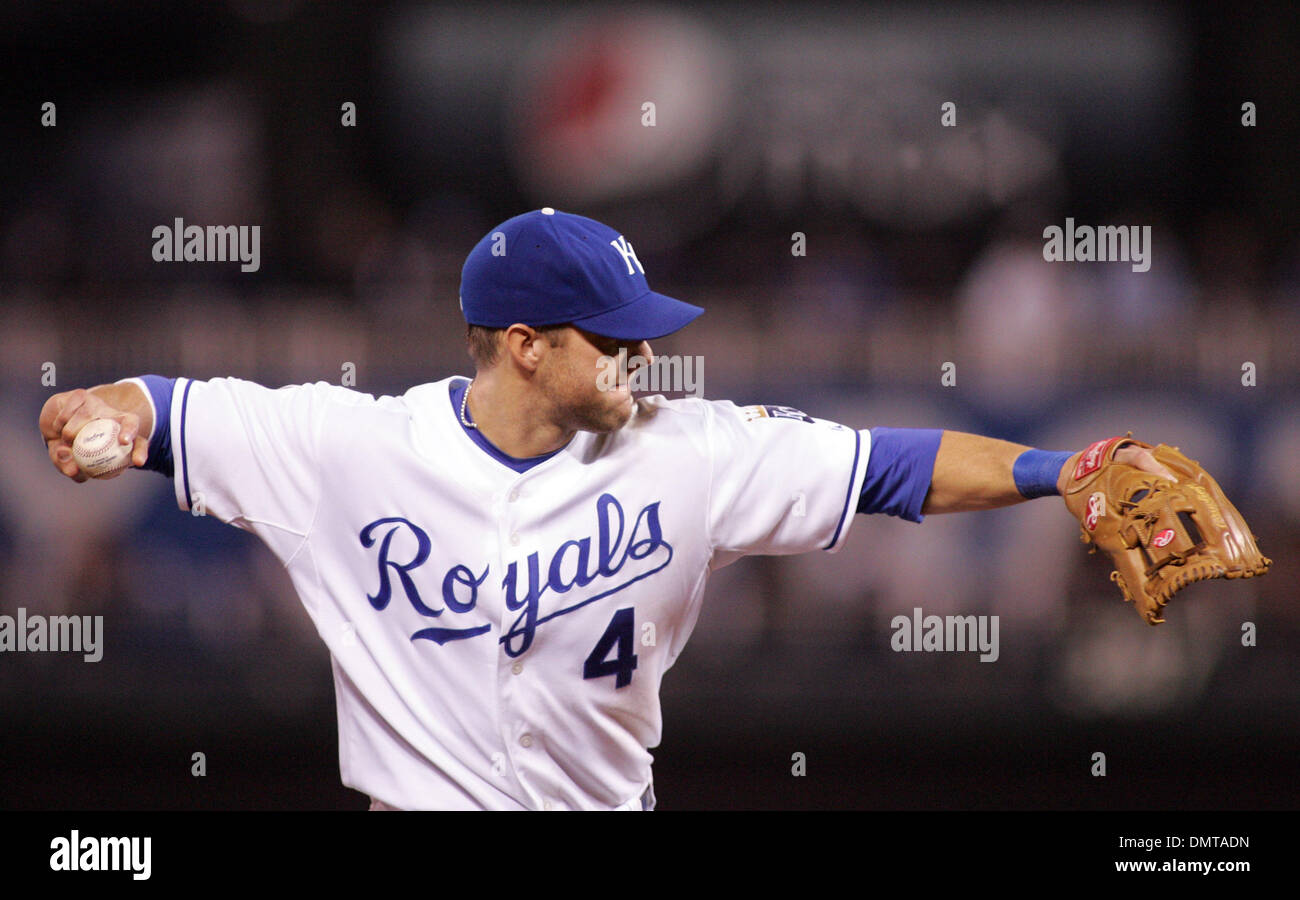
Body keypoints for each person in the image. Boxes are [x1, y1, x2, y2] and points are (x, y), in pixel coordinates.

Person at [38, 207, 1174, 810]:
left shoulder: (688, 449)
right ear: (524, 345)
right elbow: (172, 410)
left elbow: (889, 464)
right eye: (612, 331)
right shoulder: (350, 448)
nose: (643, 348)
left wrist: (1059, 471)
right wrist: (106, 410)